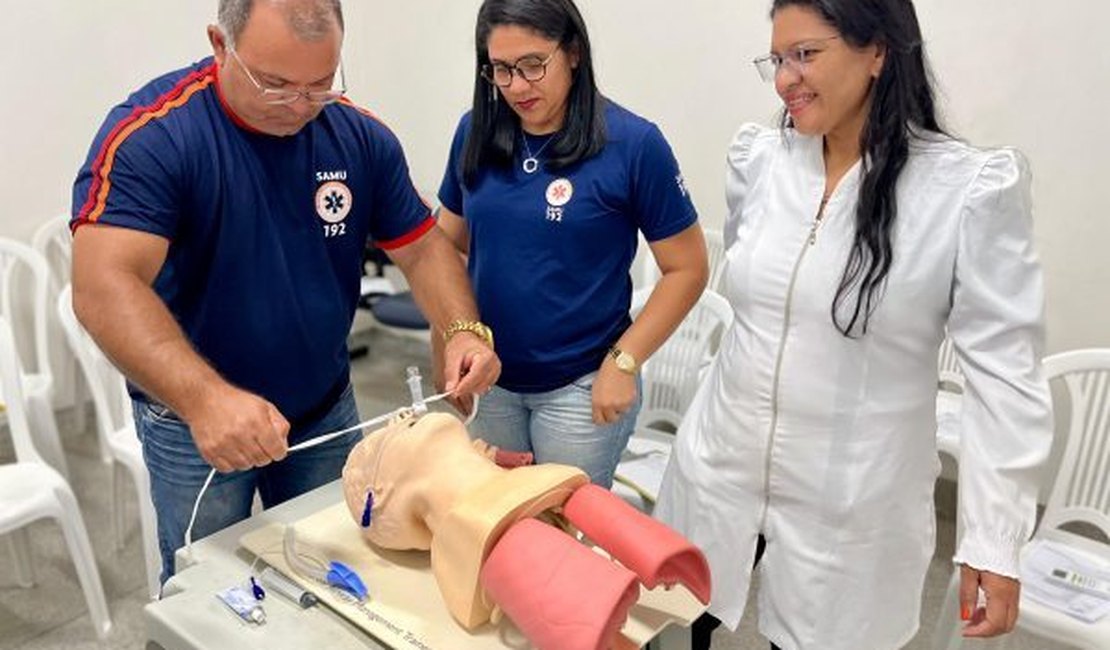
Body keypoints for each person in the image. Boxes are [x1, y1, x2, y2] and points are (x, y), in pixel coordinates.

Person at [654, 1, 1053, 649]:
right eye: (777, 58)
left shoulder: (963, 191)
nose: (786, 78)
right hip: (717, 466)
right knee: (677, 624)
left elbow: (1005, 377)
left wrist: (994, 539)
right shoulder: (762, 161)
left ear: (878, 52)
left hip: (850, 506)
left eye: (806, 54)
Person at [69, 0, 500, 585]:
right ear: (221, 46)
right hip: (195, 421)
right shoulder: (156, 136)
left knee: (329, 567)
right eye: (274, 84)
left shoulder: (357, 138)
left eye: (319, 84)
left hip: (323, 406)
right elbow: (103, 287)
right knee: (212, 587)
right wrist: (206, 401)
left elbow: (423, 250)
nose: (299, 106)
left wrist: (461, 331)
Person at [435, 0, 709, 488]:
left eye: (534, 65)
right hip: (491, 382)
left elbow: (687, 268)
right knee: (495, 522)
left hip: (581, 388)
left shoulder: (633, 144)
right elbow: (445, 248)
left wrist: (624, 362)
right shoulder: (473, 132)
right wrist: (451, 339)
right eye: (501, 69)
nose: (518, 86)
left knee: (563, 541)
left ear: (574, 53)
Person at [340, 411, 711, 650]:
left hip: (526, 487)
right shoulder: (426, 515)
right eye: (380, 437)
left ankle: (663, 562)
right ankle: (598, 628)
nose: (396, 417)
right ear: (380, 493)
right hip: (483, 521)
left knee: (584, 498)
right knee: (519, 541)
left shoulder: (443, 447)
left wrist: (490, 457)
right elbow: (408, 533)